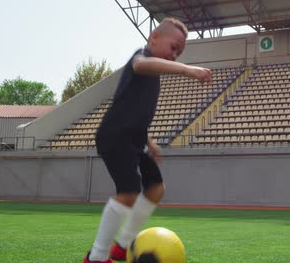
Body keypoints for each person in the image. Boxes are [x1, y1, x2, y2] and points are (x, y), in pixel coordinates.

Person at [84, 18, 212, 263]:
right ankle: (96, 258)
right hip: (115, 135)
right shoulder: (140, 57)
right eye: (173, 47)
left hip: (135, 139)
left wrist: (150, 142)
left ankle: (122, 246)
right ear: (154, 37)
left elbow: (137, 113)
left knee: (155, 188)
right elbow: (143, 65)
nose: (174, 55)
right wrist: (186, 69)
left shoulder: (154, 74)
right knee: (129, 192)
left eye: (180, 52)